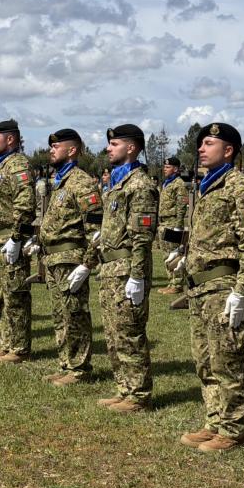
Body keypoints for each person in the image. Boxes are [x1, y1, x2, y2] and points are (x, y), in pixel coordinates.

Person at [178, 122, 244, 452]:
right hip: (200, 287)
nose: (201, 148)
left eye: (209, 143)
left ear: (228, 151)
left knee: (227, 359)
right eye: (201, 143)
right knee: (205, 359)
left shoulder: (240, 187)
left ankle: (232, 429)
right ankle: (214, 420)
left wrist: (241, 291)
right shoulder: (206, 185)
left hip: (222, 285)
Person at [95, 124, 158, 412]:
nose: (109, 148)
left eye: (115, 144)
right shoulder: (117, 183)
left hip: (126, 269)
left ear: (131, 148)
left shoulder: (139, 185)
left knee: (130, 332)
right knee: (114, 333)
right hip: (110, 269)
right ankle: (124, 388)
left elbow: (142, 237)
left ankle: (138, 394)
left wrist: (137, 276)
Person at [38, 128, 103, 385]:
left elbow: (96, 228)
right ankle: (66, 362)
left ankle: (79, 367)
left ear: (72, 150)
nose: (51, 150)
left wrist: (87, 264)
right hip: (54, 258)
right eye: (51, 146)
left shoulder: (82, 182)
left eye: (56, 146)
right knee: (60, 314)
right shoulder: (60, 181)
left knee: (74, 314)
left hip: (71, 258)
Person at [0, 119, 36, 364]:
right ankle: (6, 343)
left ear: (10, 139)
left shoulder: (17, 165)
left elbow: (25, 205)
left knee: (15, 294)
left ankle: (20, 347)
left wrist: (16, 238)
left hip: (8, 239)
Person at [157, 156, 189, 295]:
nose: (165, 169)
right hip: (163, 222)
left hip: (172, 222)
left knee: (173, 255)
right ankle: (171, 282)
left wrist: (178, 226)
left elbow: (181, 206)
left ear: (175, 169)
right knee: (166, 255)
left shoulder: (179, 184)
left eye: (168, 167)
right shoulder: (166, 183)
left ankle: (177, 284)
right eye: (164, 167)